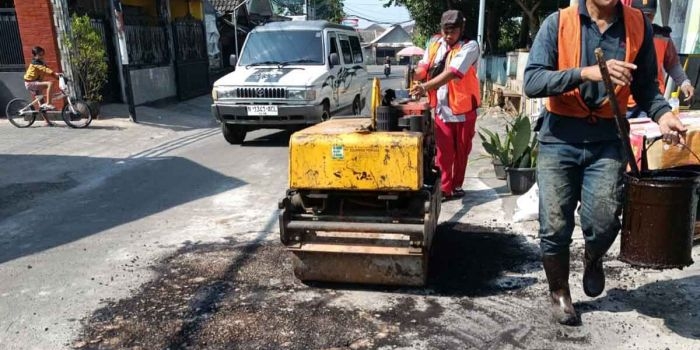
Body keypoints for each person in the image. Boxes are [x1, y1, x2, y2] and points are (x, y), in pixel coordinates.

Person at [524, 0, 686, 325]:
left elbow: (646, 89)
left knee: (603, 220)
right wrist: (586, 73)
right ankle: (559, 293)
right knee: (554, 225)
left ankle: (593, 255)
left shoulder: (638, 25)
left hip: (608, 139)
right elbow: (532, 82)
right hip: (560, 138)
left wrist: (664, 115)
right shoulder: (559, 23)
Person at [410, 10, 481, 201]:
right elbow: (424, 66)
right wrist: (413, 74)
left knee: (462, 151)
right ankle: (445, 189)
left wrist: (425, 86)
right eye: (446, 31)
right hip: (442, 107)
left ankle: (456, 185)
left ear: (461, 29)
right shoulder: (434, 43)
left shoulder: (470, 46)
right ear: (441, 29)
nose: (449, 36)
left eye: (453, 32)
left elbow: (453, 72)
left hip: (464, 109)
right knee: (444, 152)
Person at [626, 0, 695, 118]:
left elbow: (673, 64)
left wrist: (685, 83)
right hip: (624, 102)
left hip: (651, 101)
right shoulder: (622, 34)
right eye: (642, 15)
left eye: (650, 15)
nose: (646, 19)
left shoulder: (662, 37)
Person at [24, 46, 60, 112]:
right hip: (30, 83)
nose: (42, 56)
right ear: (34, 55)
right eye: (40, 55)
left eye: (43, 54)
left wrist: (57, 76)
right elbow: (45, 70)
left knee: (42, 104)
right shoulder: (35, 63)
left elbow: (47, 71)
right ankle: (49, 103)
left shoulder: (41, 62)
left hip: (35, 83)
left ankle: (46, 121)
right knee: (50, 83)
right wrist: (54, 74)